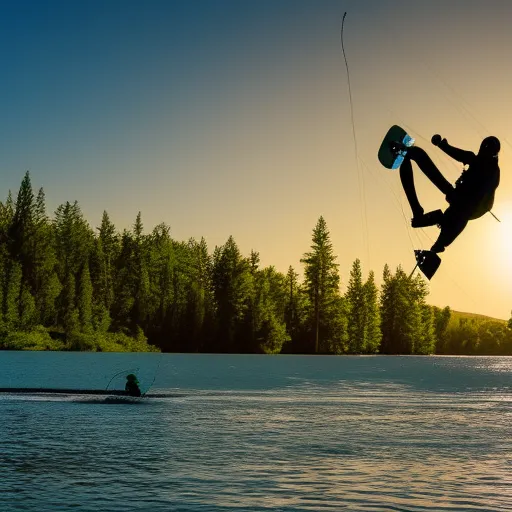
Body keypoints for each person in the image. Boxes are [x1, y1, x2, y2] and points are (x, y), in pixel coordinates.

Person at [397, 134, 500, 253]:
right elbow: (458, 154)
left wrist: (440, 244)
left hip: (470, 207)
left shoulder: (492, 174)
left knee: (456, 214)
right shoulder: (477, 160)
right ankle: (417, 211)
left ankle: (420, 214)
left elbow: (464, 216)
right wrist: (442, 145)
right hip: (459, 199)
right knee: (417, 153)